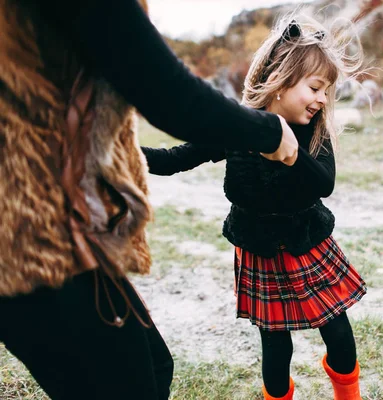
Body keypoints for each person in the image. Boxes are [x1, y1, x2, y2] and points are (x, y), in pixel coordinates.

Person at [0, 0, 298, 399]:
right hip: (31, 229)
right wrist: (268, 131)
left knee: (154, 368)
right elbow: (161, 88)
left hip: (55, 221)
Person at [142, 13, 367, 400]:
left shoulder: (314, 131)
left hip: (308, 243)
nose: (321, 99)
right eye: (315, 87)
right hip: (259, 250)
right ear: (280, 82)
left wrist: (289, 152)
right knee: (276, 350)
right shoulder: (237, 126)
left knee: (340, 337)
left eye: (326, 91)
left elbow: (324, 183)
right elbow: (170, 160)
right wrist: (118, 152)